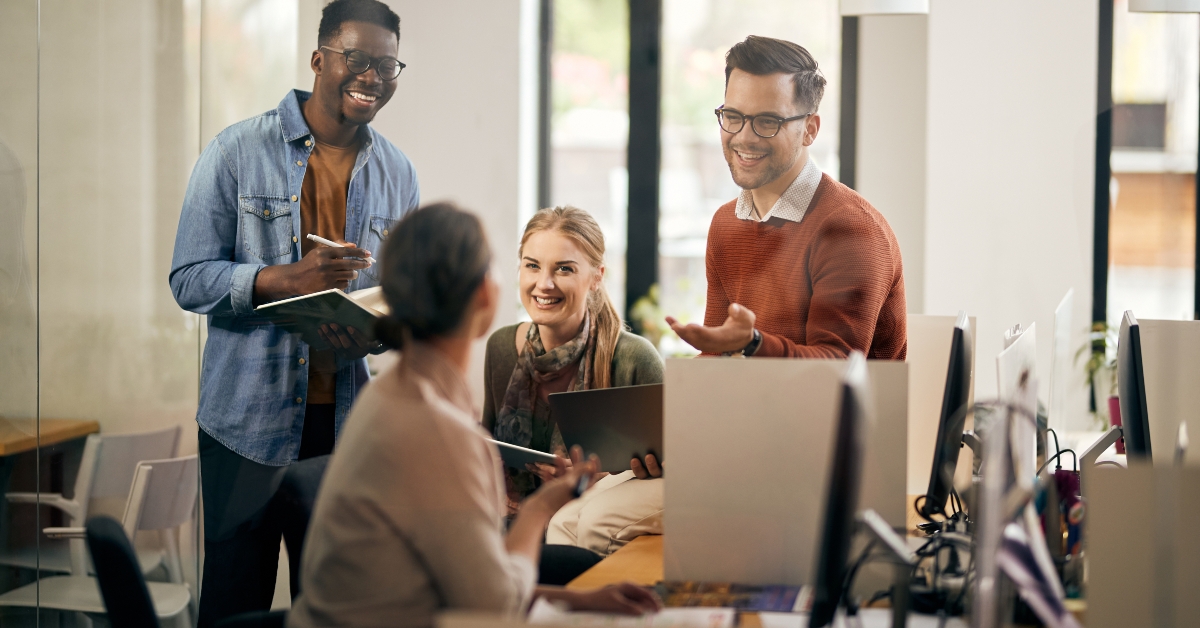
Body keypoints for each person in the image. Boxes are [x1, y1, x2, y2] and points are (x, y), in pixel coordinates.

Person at [289, 203, 661, 628]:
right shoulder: (440, 430)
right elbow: (493, 607)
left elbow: (463, 584)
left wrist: (578, 599)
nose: (543, 283)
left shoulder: (388, 397)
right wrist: (540, 508)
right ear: (487, 295)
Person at [168, 0, 417, 623]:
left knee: (329, 610)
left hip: (342, 432)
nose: (372, 78)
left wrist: (377, 332)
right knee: (232, 605)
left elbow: (404, 304)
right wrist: (286, 280)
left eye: (387, 67)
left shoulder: (398, 173)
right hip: (243, 426)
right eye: (357, 59)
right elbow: (188, 279)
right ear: (318, 59)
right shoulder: (235, 151)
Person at [666, 35, 906, 360]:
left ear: (810, 129)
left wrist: (751, 344)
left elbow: (835, 372)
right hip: (750, 408)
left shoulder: (851, 231)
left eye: (768, 121)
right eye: (733, 116)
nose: (743, 137)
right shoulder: (725, 223)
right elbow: (718, 357)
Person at [482, 206, 665, 556]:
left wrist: (593, 484)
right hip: (509, 522)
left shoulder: (633, 358)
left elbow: (670, 474)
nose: (544, 284)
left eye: (564, 269)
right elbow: (487, 443)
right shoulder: (502, 348)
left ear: (596, 277)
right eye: (532, 265)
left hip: (587, 537)